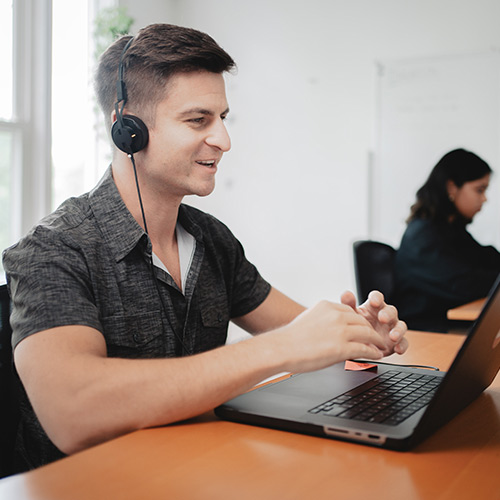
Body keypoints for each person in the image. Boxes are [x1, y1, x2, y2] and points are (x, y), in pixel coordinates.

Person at [2, 23, 408, 472]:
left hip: (195, 473)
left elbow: (300, 330)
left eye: (223, 118)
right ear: (127, 128)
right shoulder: (53, 249)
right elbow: (72, 412)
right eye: (198, 120)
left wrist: (359, 333)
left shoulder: (211, 239)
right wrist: (279, 350)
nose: (224, 141)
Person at [393, 148, 500, 332]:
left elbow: (488, 260)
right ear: (452, 187)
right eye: (479, 190)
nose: (484, 199)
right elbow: (464, 285)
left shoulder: (451, 229)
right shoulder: (422, 235)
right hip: (423, 335)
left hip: (448, 327)